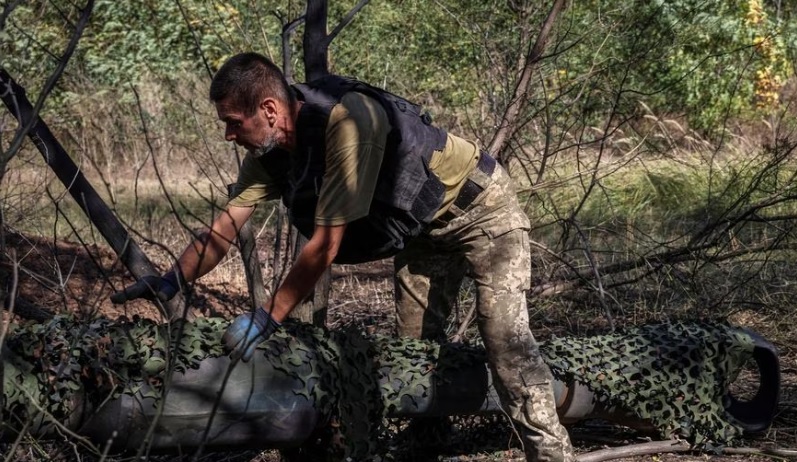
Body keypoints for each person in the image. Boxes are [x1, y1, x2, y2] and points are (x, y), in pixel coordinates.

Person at [110, 52, 574, 462]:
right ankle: (428, 445)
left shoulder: (349, 123)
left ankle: (552, 454)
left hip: (481, 211)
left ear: (269, 110)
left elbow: (326, 246)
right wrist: (173, 279)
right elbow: (226, 226)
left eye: (234, 121)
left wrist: (267, 317)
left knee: (506, 344)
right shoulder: (269, 152)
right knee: (414, 352)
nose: (230, 135)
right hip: (422, 232)